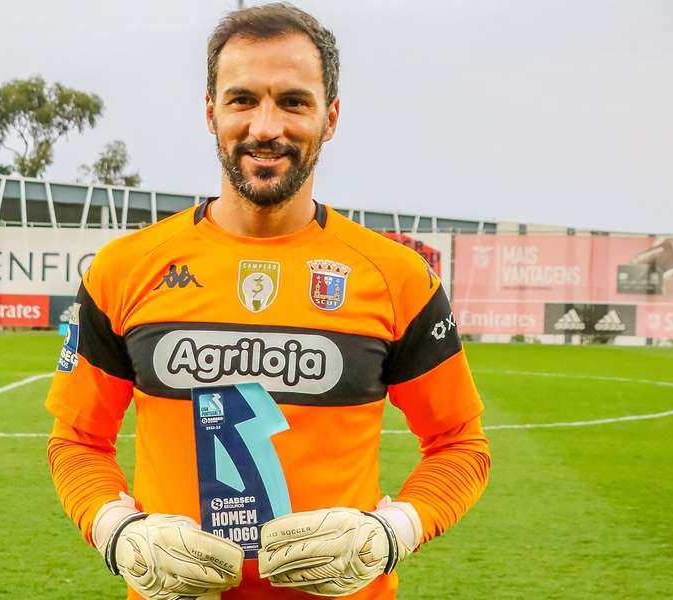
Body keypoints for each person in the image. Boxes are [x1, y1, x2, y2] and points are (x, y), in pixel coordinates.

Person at [46, 4, 490, 599]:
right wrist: (116, 531)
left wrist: (391, 533)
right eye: (242, 99)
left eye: (294, 101)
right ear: (211, 113)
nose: (265, 126)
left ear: (330, 117)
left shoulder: (397, 277)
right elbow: (77, 441)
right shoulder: (125, 269)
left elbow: (460, 444)